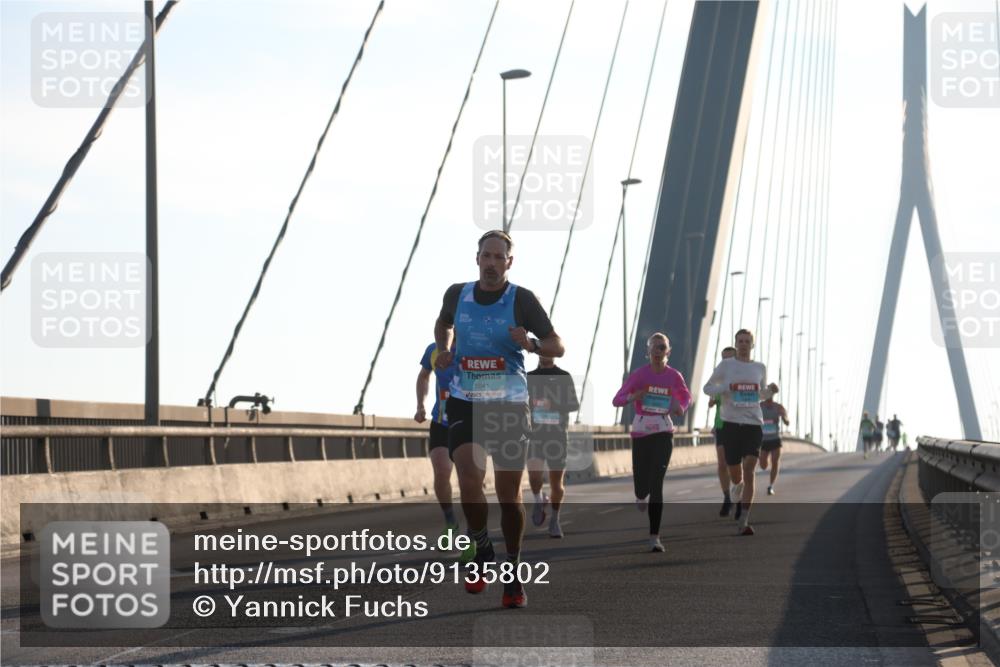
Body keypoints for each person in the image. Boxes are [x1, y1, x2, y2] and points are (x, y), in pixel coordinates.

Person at [434, 229, 564, 609]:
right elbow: (443, 323)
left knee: (509, 496)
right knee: (468, 477)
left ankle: (512, 571)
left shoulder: (521, 300)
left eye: (498, 258)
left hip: (508, 404)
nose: (491, 263)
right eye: (486, 256)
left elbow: (558, 344)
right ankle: (480, 542)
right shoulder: (457, 294)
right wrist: (444, 349)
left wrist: (533, 344)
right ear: (477, 259)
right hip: (465, 399)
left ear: (509, 262)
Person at [612, 333, 692, 552]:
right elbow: (616, 399)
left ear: (668, 351)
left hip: (664, 430)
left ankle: (654, 537)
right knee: (642, 486)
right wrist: (634, 396)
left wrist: (680, 407)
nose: (658, 351)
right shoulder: (639, 375)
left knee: (657, 483)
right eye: (654, 348)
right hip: (642, 431)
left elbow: (686, 397)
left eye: (662, 347)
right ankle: (640, 495)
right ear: (647, 352)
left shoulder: (674, 376)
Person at [703, 329, 772, 536]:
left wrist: (770, 391)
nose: (743, 344)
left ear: (752, 344)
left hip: (753, 423)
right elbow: (708, 388)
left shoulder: (760, 368)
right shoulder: (726, 366)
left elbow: (760, 394)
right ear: (736, 343)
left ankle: (744, 519)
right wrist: (725, 387)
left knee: (750, 468)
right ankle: (736, 486)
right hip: (730, 423)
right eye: (740, 341)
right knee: (735, 472)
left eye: (747, 341)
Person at [416, 342, 472, 559]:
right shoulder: (434, 349)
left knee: (468, 480)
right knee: (441, 471)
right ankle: (450, 523)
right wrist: (420, 405)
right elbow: (423, 376)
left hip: (470, 423)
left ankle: (473, 536)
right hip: (442, 422)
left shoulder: (477, 346)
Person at [526, 356, 580, 538]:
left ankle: (555, 519)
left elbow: (574, 405)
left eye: (549, 350)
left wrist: (552, 404)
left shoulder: (563, 376)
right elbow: (521, 403)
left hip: (557, 436)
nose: (545, 354)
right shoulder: (529, 376)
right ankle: (538, 500)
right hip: (536, 435)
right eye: (541, 350)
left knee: (557, 484)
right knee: (534, 475)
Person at [708, 347, 737, 516]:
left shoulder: (744, 376)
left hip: (740, 425)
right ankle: (727, 497)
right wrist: (713, 399)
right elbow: (712, 400)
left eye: (729, 358)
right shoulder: (718, 378)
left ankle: (739, 498)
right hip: (721, 425)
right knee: (722, 463)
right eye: (723, 359)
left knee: (737, 465)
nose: (726, 362)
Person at [758, 383, 790, 496]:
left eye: (771, 392)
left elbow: (786, 419)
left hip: (775, 439)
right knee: (763, 465)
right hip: (763, 440)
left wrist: (785, 419)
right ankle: (761, 459)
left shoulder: (778, 407)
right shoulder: (760, 406)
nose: (769, 394)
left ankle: (770, 486)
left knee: (775, 462)